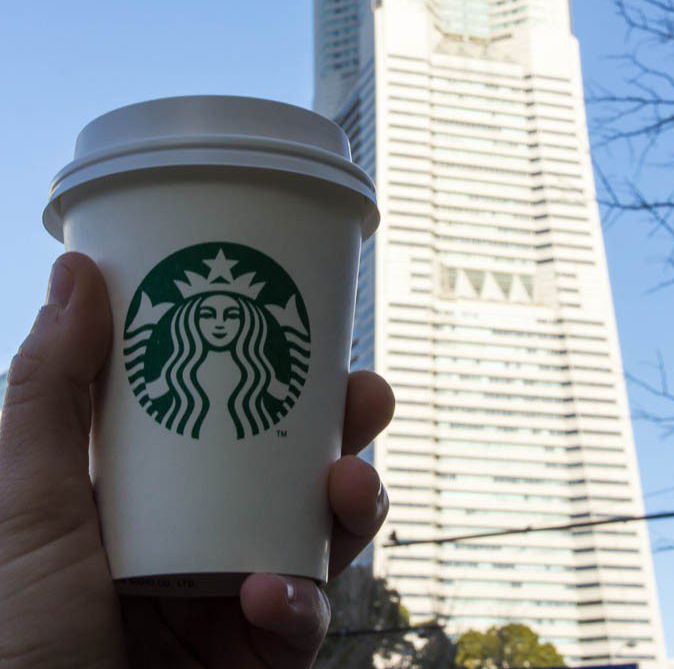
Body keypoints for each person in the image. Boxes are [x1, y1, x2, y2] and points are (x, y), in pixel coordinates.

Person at [0, 253, 394, 668]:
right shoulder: (173, 381)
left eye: (231, 315)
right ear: (188, 320)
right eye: (207, 313)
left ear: (251, 322)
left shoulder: (260, 386)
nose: (220, 323)